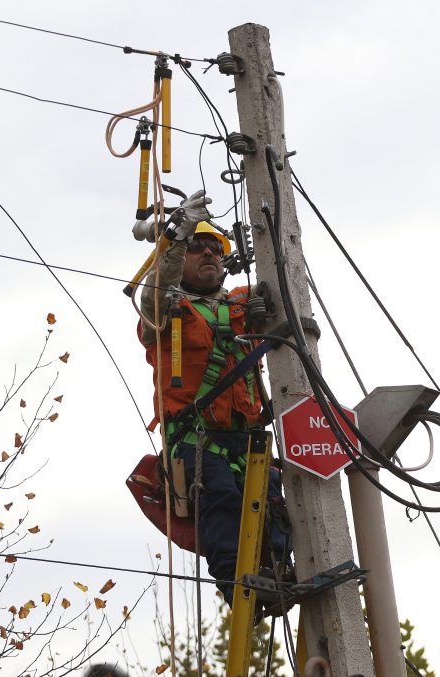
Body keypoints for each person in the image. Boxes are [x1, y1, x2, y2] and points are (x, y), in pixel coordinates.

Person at [135, 190, 290, 605]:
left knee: (275, 508)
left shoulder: (242, 303)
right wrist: (176, 238)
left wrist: (268, 301)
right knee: (220, 504)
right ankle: (239, 588)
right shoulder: (164, 306)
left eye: (215, 249)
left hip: (250, 437)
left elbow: (285, 295)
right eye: (197, 249)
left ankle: (279, 576)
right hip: (198, 438)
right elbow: (153, 297)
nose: (209, 255)